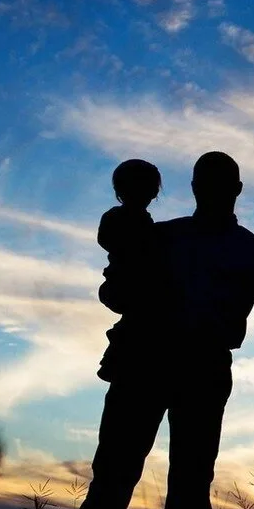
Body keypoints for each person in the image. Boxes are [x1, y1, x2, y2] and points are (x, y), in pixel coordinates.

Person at [70, 151, 254, 509]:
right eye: (208, 184)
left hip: (193, 368)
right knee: (120, 474)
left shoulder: (245, 251)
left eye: (218, 184)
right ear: (197, 188)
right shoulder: (165, 238)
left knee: (179, 480)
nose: (213, 192)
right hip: (146, 361)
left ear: (234, 189)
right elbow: (115, 292)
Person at [96, 159, 162, 382]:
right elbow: (108, 241)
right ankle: (116, 359)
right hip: (122, 283)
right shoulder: (125, 219)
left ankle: (117, 358)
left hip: (124, 284)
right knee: (142, 314)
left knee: (139, 318)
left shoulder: (142, 221)